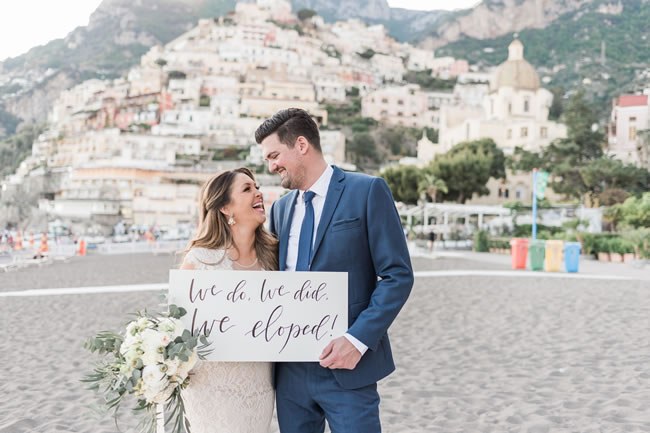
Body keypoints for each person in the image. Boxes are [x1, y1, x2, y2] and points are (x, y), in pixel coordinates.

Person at [255, 108, 414, 433]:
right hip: (290, 374)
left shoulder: (367, 191)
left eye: (274, 155)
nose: (271, 167)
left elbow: (397, 275)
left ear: (301, 145)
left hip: (349, 367)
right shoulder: (281, 209)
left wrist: (357, 341)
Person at [177, 167, 277, 433]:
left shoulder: (273, 258)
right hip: (211, 386)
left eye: (257, 187)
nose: (258, 193)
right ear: (225, 207)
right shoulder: (200, 261)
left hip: (259, 385)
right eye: (247, 189)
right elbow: (177, 330)